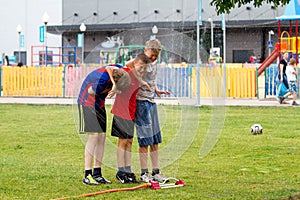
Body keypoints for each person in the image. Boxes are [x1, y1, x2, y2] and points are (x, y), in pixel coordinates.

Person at [77, 64, 131, 185]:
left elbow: (110, 67)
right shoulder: (102, 81)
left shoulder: (119, 70)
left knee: (101, 137)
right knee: (94, 137)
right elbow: (91, 91)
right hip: (87, 103)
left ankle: (97, 173)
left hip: (99, 105)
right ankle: (87, 174)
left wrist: (114, 85)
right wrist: (108, 88)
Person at [127, 39, 170, 183]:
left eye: (155, 57)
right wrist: (139, 81)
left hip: (151, 102)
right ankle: (144, 173)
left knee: (155, 139)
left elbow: (152, 79)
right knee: (145, 140)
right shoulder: (140, 60)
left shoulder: (154, 63)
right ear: (146, 51)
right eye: (151, 56)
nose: (153, 59)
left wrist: (156, 90)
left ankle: (156, 172)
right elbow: (127, 65)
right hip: (141, 103)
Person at [111, 53, 151, 184]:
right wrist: (114, 86)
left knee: (129, 141)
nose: (142, 70)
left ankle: (127, 170)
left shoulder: (138, 77)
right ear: (134, 63)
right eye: (140, 67)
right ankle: (120, 171)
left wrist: (143, 80)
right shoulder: (126, 72)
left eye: (144, 68)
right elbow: (110, 69)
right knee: (122, 142)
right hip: (121, 112)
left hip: (131, 113)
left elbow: (139, 74)